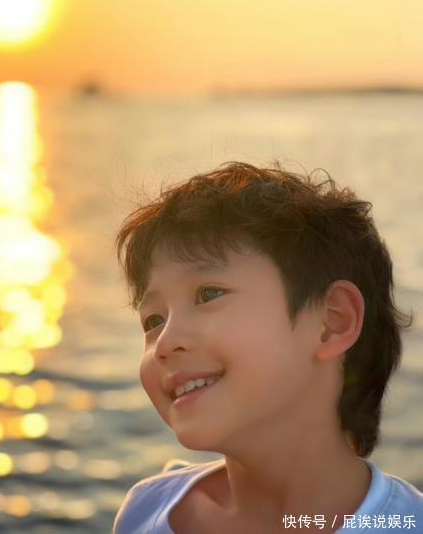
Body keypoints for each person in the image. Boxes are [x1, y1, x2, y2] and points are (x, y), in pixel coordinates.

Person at [112, 161, 423, 533]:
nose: (164, 342)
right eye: (153, 320)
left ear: (331, 322)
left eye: (208, 294)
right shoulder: (146, 511)